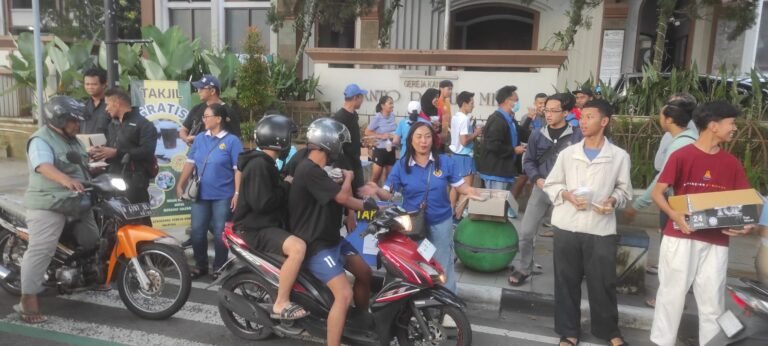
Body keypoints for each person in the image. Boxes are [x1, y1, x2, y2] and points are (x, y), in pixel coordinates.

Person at [650, 101, 757, 346]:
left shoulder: (731, 163)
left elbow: (745, 205)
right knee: (671, 298)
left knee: (713, 304)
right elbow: (658, 193)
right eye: (731, 123)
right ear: (713, 125)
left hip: (716, 242)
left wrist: (745, 225)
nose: (734, 129)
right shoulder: (682, 155)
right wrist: (674, 215)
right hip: (680, 238)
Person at [543, 99, 631, 346]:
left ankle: (609, 331)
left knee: (603, 283)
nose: (583, 121)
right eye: (582, 117)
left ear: (604, 121)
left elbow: (625, 190)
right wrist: (567, 195)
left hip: (600, 228)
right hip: (567, 226)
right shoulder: (568, 154)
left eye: (590, 116)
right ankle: (568, 331)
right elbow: (552, 184)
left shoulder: (619, 157)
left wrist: (613, 199)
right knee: (566, 281)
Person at [361, 121, 481, 295]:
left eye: (427, 136)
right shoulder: (402, 165)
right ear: (411, 141)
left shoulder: (444, 162)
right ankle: (419, 303)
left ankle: (447, 305)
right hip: (413, 225)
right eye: (418, 137)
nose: (423, 141)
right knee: (415, 264)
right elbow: (388, 194)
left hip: (441, 222)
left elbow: (460, 185)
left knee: (442, 263)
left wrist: (471, 191)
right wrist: (377, 190)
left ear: (433, 140)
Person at [289, 118, 375, 346]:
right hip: (315, 244)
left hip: (332, 239)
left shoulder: (323, 169)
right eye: (339, 142)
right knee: (344, 295)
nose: (341, 147)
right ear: (328, 143)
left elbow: (342, 198)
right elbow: (343, 197)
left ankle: (361, 320)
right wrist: (368, 205)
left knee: (365, 273)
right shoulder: (308, 169)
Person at [18, 96, 100, 324]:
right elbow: (43, 166)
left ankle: (79, 272)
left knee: (93, 238)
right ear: (60, 119)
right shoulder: (41, 140)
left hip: (77, 201)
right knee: (41, 250)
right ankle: (28, 300)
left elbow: (80, 165)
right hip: (49, 202)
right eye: (74, 121)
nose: (78, 125)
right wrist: (66, 180)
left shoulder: (74, 141)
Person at [233, 114, 308, 320]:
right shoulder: (259, 165)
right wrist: (286, 184)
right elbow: (263, 203)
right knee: (297, 248)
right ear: (279, 139)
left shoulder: (266, 163)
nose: (290, 142)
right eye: (288, 137)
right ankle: (281, 303)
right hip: (254, 228)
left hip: (264, 224)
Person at [622, 93, 698, 289]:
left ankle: (673, 293)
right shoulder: (684, 139)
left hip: (678, 203)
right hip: (678, 200)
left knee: (674, 251)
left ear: (670, 119)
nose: (659, 117)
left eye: (662, 114)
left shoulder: (682, 143)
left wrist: (638, 205)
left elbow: (662, 178)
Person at [508, 93, 583, 286]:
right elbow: (529, 161)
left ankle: (570, 272)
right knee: (525, 232)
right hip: (542, 189)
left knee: (567, 236)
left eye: (553, 111)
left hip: (566, 192)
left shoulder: (577, 136)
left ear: (566, 112)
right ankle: (524, 267)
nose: (548, 114)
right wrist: (536, 178)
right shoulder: (537, 134)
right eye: (546, 110)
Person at [176, 104, 243, 279]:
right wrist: (180, 184)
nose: (203, 120)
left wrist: (237, 193)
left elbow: (238, 169)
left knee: (221, 233)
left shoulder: (232, 141)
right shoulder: (199, 138)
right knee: (197, 232)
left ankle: (220, 266)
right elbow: (190, 162)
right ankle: (201, 265)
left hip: (223, 195)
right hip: (201, 194)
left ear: (218, 119)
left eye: (207, 116)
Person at [90, 87, 157, 226]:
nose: (106, 109)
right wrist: (99, 155)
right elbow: (111, 148)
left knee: (138, 219)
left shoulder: (144, 124)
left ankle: (147, 247)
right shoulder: (112, 124)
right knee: (115, 218)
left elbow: (147, 151)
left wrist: (117, 152)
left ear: (118, 102)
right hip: (113, 178)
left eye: (108, 104)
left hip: (135, 180)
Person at [476, 86, 526, 216]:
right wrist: (514, 150)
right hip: (496, 172)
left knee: (500, 209)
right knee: (494, 210)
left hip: (504, 171)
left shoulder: (510, 120)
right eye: (516, 99)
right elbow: (492, 145)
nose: (518, 103)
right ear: (507, 101)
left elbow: (522, 134)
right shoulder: (497, 120)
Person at [332, 83, 368, 232]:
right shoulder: (340, 117)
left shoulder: (354, 115)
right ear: (355, 98)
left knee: (359, 195)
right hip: (345, 163)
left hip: (356, 161)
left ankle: (358, 231)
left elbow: (351, 139)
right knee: (349, 199)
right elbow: (337, 146)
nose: (362, 100)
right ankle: (348, 225)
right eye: (361, 97)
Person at [448, 91, 482, 219]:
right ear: (464, 104)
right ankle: (458, 216)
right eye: (472, 103)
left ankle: (451, 212)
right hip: (465, 156)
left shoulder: (456, 116)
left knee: (454, 186)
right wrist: (476, 133)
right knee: (466, 188)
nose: (473, 106)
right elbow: (464, 141)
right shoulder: (464, 119)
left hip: (455, 155)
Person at [180, 75, 241, 144]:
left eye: (202, 88)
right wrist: (186, 138)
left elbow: (237, 139)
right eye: (198, 88)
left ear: (212, 91)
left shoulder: (229, 112)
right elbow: (183, 130)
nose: (198, 91)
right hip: (197, 153)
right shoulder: (196, 109)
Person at [365, 95, 398, 185]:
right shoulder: (377, 118)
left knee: (390, 177)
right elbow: (367, 132)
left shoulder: (392, 116)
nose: (392, 105)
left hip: (391, 149)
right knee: (376, 177)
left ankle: (385, 196)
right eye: (390, 103)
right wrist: (381, 135)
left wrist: (394, 135)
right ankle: (368, 196)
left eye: (392, 103)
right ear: (383, 106)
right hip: (380, 150)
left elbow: (393, 130)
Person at [80, 67, 110, 135]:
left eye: (94, 84)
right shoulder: (83, 106)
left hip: (106, 145)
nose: (90, 87)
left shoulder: (111, 105)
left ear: (104, 84)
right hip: (86, 144)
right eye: (87, 84)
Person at [436, 80, 453, 146]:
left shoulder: (447, 102)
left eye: (451, 89)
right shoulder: (436, 102)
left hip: (446, 137)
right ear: (441, 88)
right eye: (448, 89)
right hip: (437, 135)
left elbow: (450, 120)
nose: (450, 91)